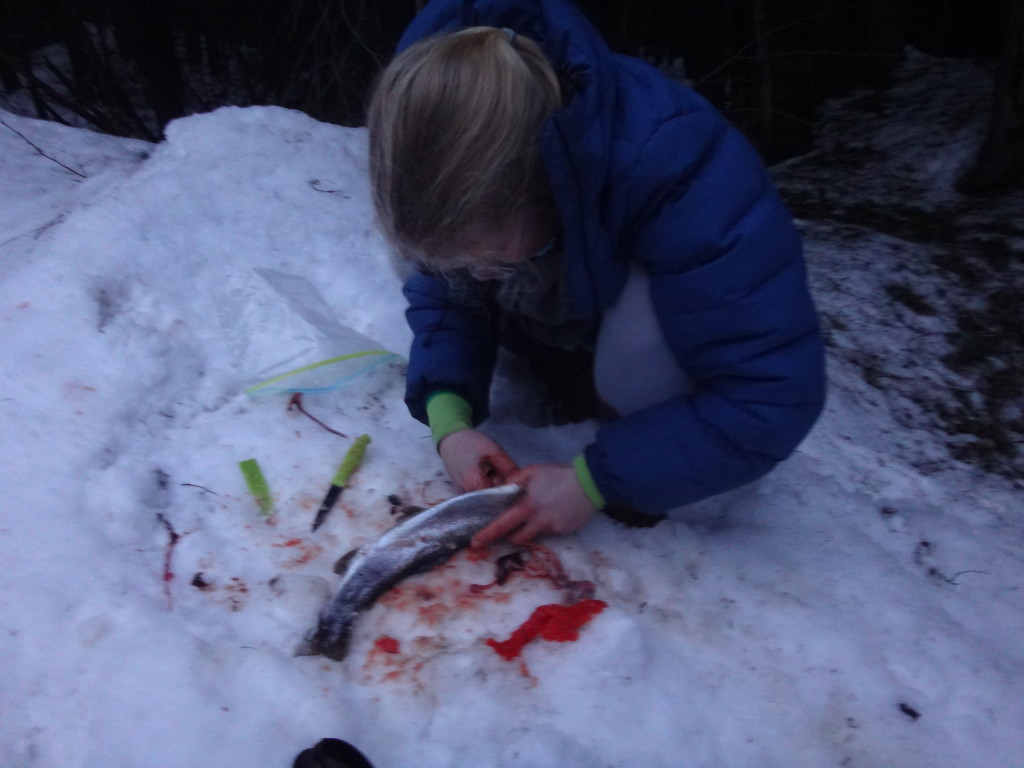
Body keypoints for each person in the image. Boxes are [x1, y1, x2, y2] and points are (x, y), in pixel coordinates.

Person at [366, 0, 826, 549]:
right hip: (567, 297)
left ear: (543, 184)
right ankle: (567, 365)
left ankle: (626, 411)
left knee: (642, 342)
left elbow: (771, 395)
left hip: (643, 323)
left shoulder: (683, 170)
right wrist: (449, 422)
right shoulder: (449, 139)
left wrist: (594, 481)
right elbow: (444, 291)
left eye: (492, 257)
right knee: (440, 254)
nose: (481, 277)